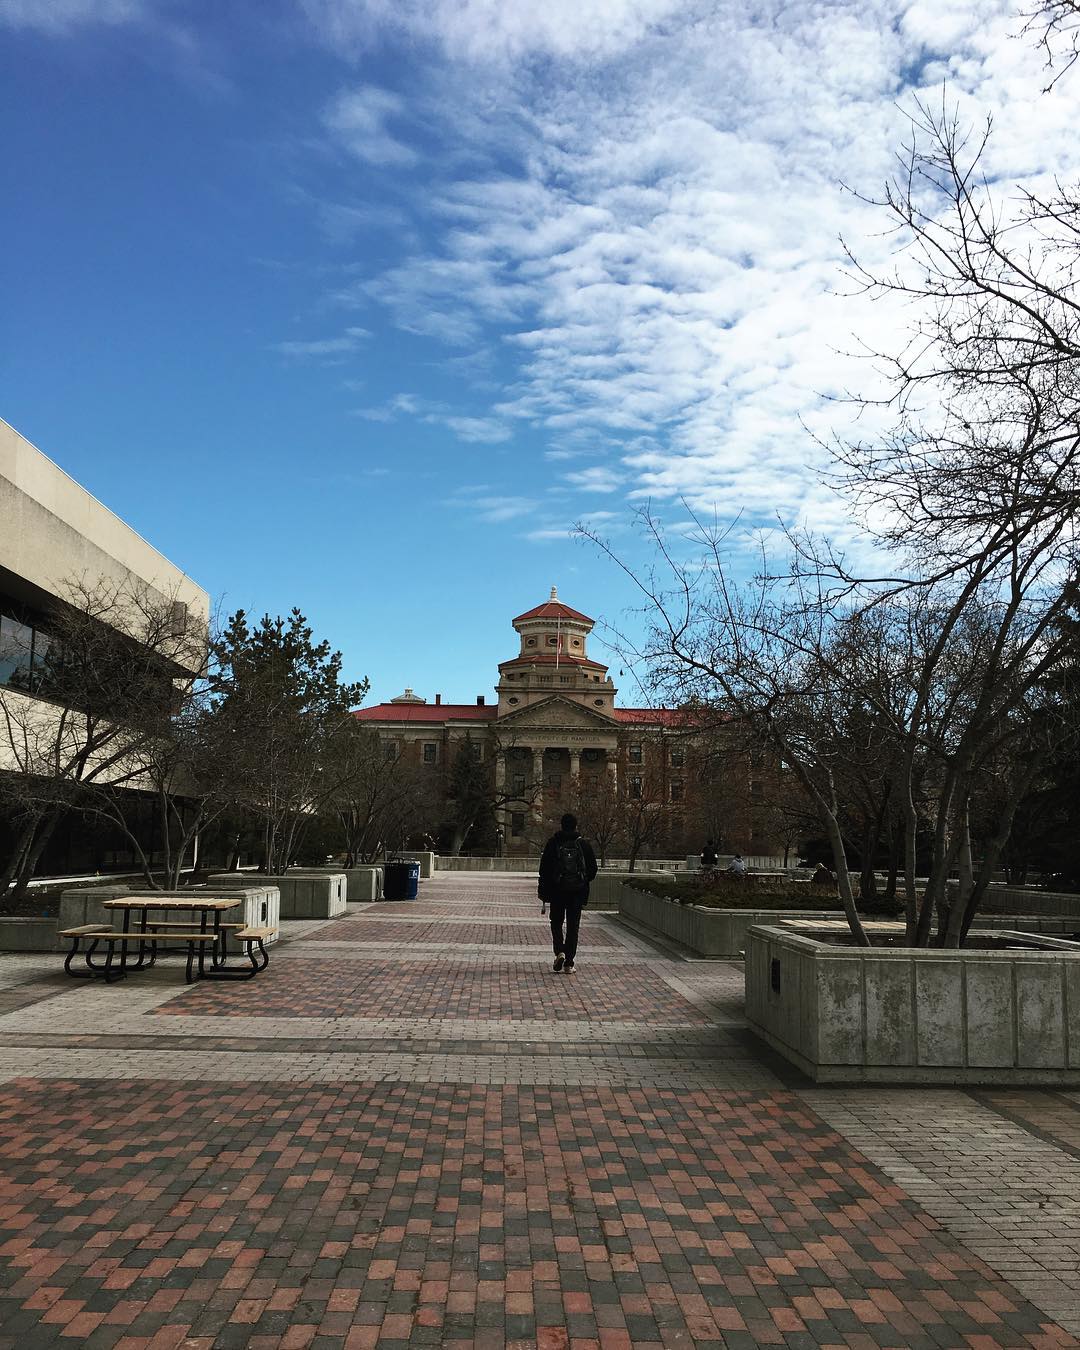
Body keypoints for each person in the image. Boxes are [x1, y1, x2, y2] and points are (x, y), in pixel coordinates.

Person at [538, 812, 598, 973]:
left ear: (562, 825)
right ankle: (569, 963)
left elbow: (544, 870)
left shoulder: (553, 843)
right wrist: (582, 881)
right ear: (575, 826)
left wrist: (543, 890)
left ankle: (560, 951)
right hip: (577, 892)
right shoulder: (583, 845)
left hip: (557, 890)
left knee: (556, 922)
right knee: (573, 926)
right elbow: (592, 869)